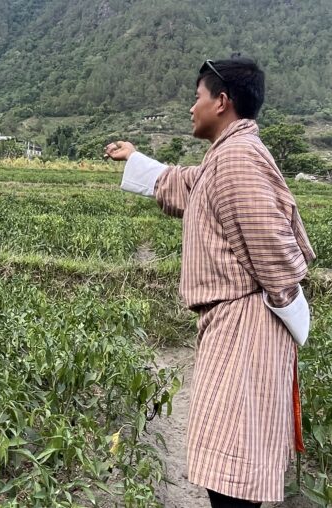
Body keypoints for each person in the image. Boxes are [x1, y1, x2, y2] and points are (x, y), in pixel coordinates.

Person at [105, 57, 316, 507]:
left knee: (234, 466)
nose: (191, 108)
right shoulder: (228, 156)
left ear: (221, 102)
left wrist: (288, 308)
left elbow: (273, 251)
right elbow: (188, 183)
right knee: (231, 457)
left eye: (197, 97)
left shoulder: (238, 159)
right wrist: (136, 160)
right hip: (239, 322)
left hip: (247, 325)